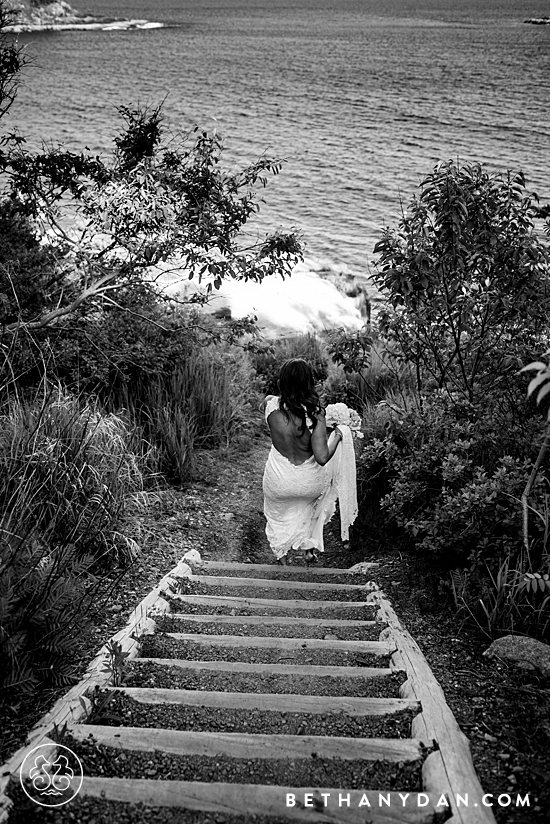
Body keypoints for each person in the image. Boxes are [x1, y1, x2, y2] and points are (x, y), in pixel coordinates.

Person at [262, 358, 344, 565]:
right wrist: (338, 435)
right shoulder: (316, 414)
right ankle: (308, 547)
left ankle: (283, 560)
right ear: (309, 382)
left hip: (278, 482)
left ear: (282, 382)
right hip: (309, 484)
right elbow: (322, 457)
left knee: (279, 516)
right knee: (313, 506)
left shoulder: (270, 406)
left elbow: (272, 399)